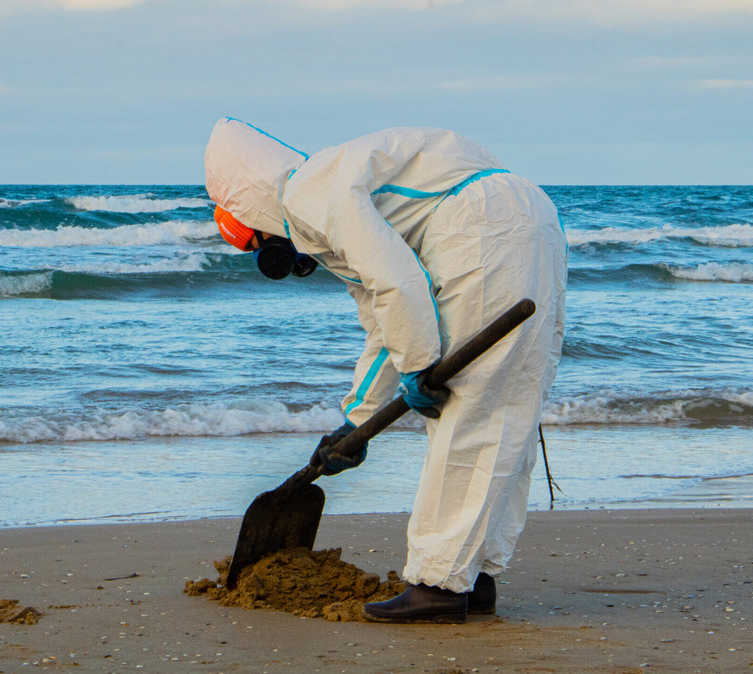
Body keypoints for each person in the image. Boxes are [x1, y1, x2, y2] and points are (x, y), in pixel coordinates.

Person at [204, 117, 567, 623]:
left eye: (260, 243)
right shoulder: (328, 193)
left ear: (251, 208)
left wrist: (419, 365)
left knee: (467, 408)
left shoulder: (312, 194)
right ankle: (473, 576)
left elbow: (398, 283)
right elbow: (382, 319)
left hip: (481, 228)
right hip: (530, 218)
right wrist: (357, 420)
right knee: (507, 402)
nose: (274, 253)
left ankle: (439, 586)